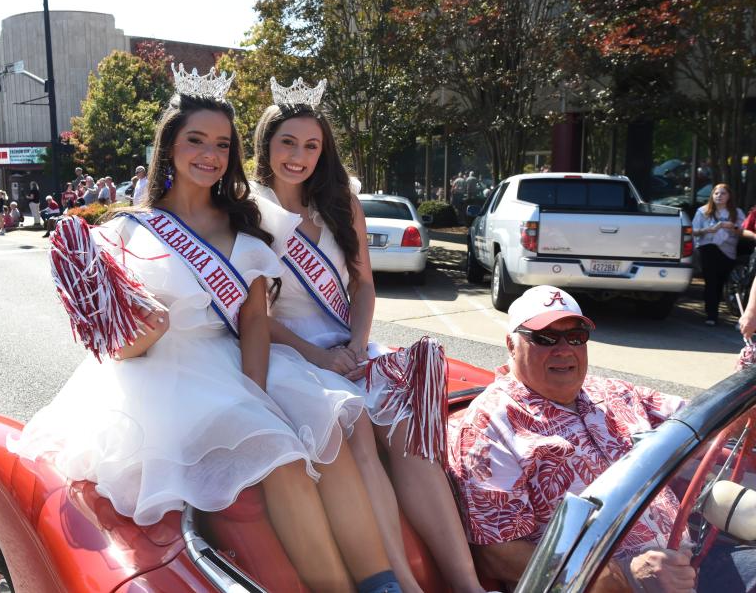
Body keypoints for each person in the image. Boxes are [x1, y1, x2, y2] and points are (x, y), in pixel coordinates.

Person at [8, 67, 401, 593]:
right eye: (196, 140)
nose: (209, 153)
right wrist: (148, 332)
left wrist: (256, 390)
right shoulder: (122, 233)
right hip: (165, 375)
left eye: (221, 143)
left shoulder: (246, 223)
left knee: (326, 430)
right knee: (281, 457)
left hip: (237, 363)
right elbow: (118, 348)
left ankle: (381, 582)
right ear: (169, 145)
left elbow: (255, 322)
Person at [250, 79, 486, 593]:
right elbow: (252, 314)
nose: (299, 156)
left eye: (312, 145)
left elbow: (363, 285)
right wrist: (321, 355)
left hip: (349, 344)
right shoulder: (248, 213)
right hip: (292, 351)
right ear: (267, 143)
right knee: (355, 427)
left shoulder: (340, 202)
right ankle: (400, 583)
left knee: (410, 431)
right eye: (287, 142)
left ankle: (466, 582)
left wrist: (357, 345)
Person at [451, 285, 700, 592]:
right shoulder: (491, 425)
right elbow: (498, 555)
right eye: (545, 338)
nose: (564, 349)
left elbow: (697, 419)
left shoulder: (613, 392)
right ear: (511, 345)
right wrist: (625, 576)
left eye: (576, 336)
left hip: (693, 557)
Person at [692, 184, 746, 326]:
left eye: (723, 193)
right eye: (716, 193)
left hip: (728, 251)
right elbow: (693, 230)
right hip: (708, 248)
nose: (719, 196)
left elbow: (743, 231)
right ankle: (711, 314)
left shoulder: (737, 212)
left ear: (729, 196)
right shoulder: (703, 211)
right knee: (711, 281)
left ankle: (728, 312)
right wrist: (708, 230)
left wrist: (732, 227)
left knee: (721, 282)